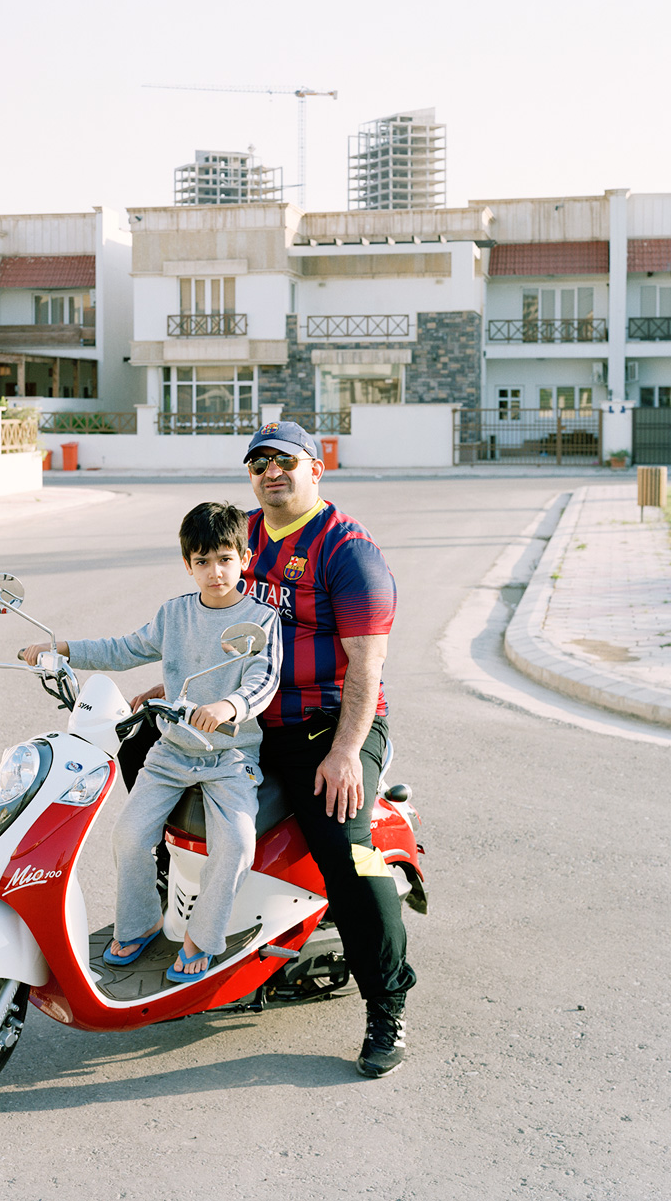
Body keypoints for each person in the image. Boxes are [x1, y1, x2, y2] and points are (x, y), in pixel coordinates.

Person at [20, 501, 281, 982]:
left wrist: (229, 708)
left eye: (225, 559)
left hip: (230, 756)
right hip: (172, 752)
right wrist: (63, 650)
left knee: (237, 844)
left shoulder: (261, 619)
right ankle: (141, 923)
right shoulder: (175, 614)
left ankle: (203, 937)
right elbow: (126, 648)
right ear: (188, 565)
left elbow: (263, 680)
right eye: (202, 561)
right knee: (129, 836)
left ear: (244, 558)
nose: (215, 571)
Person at [240, 419, 416, 1077]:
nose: (270, 472)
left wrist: (346, 753)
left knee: (354, 858)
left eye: (284, 460)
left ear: (317, 468)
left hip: (333, 726)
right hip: (256, 719)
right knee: (157, 779)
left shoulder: (349, 554)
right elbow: (210, 615)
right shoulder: (245, 534)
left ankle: (388, 1005)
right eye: (258, 463)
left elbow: (366, 669)